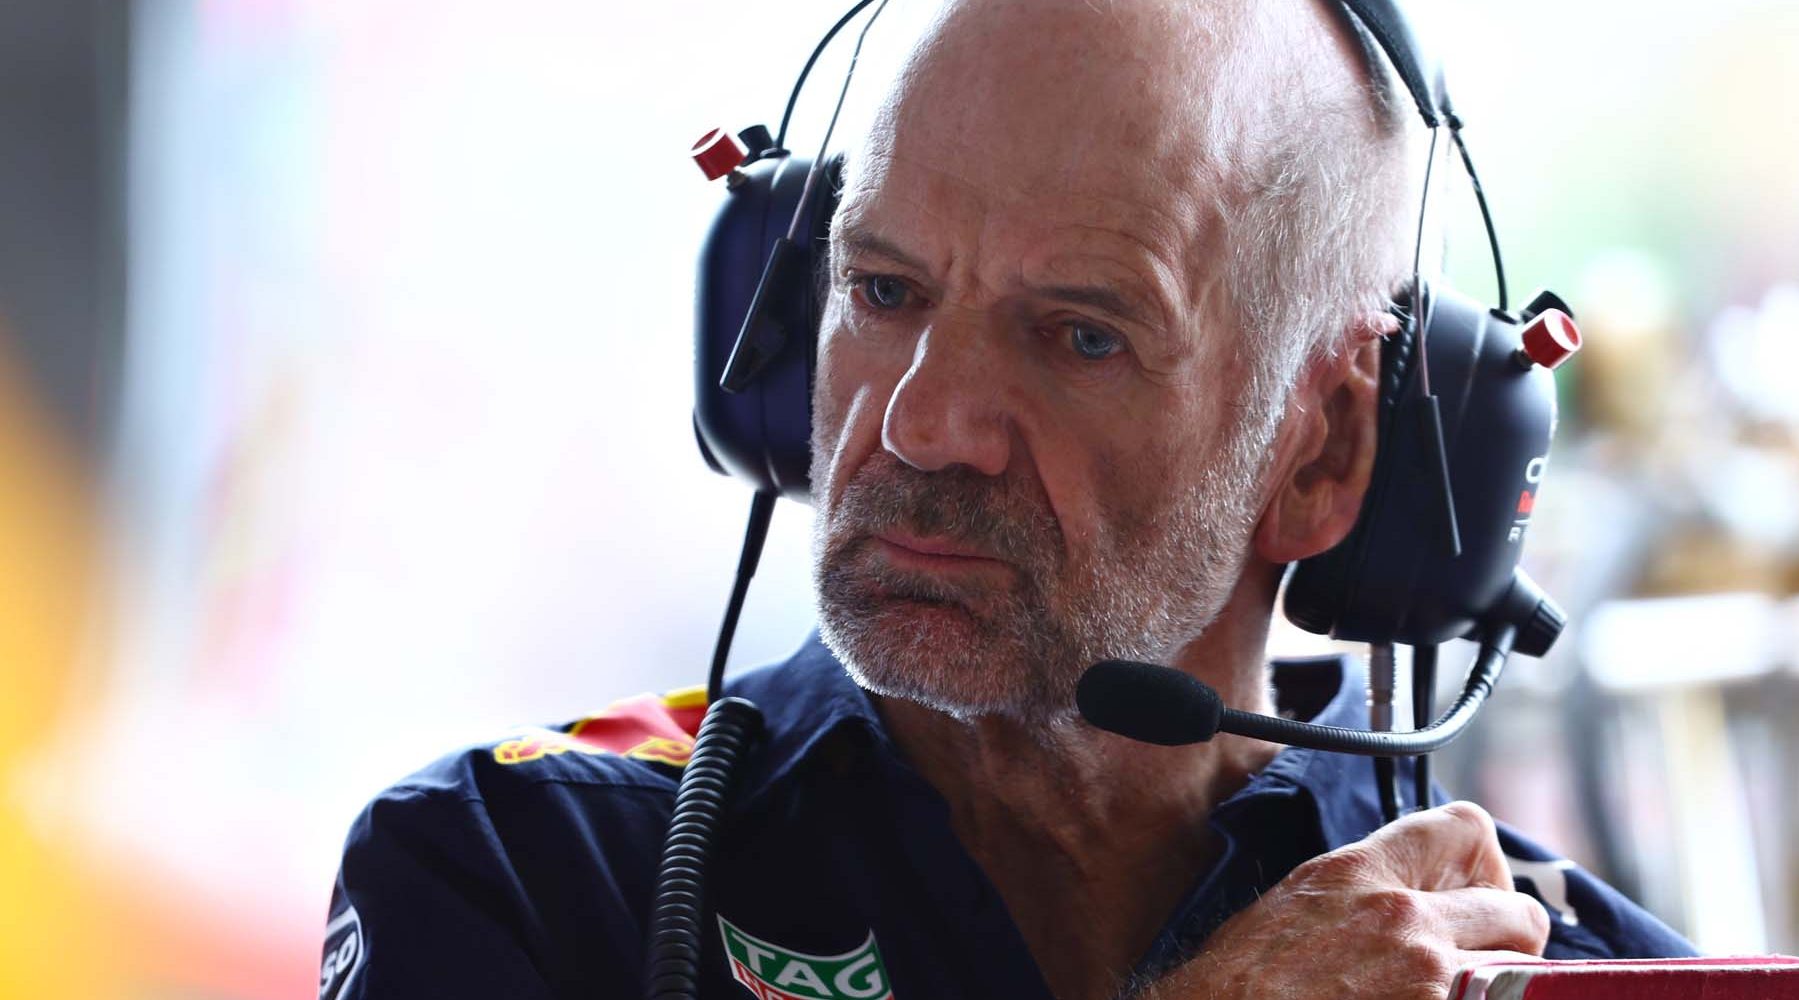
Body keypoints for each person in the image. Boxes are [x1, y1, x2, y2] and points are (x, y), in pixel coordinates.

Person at [319, 1, 1695, 997]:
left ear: (1326, 454)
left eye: (1080, 334)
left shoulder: (1572, 978)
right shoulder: (511, 871)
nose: (919, 421)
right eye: (883, 291)